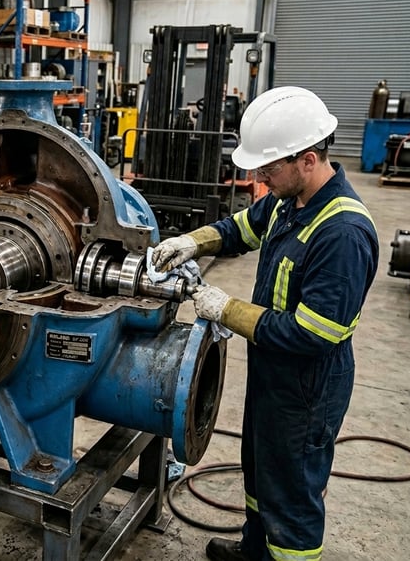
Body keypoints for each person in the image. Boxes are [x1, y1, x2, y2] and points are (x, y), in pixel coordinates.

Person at [152, 86, 379, 561]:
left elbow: (311, 333)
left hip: (307, 389)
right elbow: (240, 229)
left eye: (268, 168)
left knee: (291, 494)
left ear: (309, 160)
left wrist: (226, 309)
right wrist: (193, 242)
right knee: (259, 471)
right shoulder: (287, 200)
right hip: (272, 373)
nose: (259, 177)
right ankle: (255, 552)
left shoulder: (342, 233)